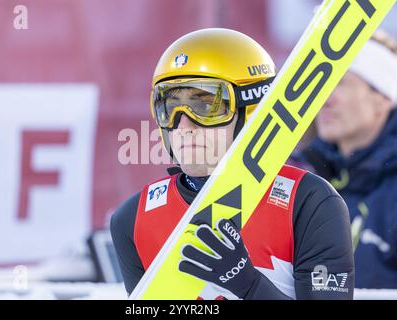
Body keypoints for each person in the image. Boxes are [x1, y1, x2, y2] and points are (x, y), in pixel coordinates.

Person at [111, 28, 354, 299]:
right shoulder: (133, 219)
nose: (183, 126)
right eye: (169, 107)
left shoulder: (309, 202)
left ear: (250, 110)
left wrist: (248, 284)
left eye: (205, 106)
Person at [291, 31, 397, 289]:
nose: (324, 100)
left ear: (383, 97)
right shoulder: (301, 174)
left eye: (339, 83)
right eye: (320, 85)